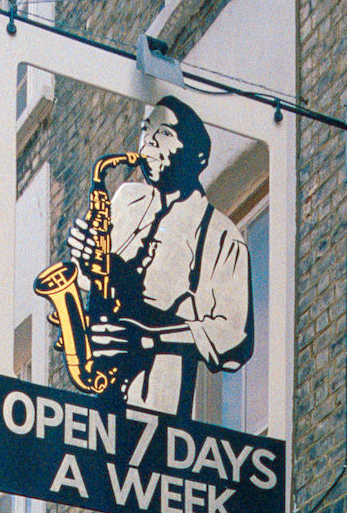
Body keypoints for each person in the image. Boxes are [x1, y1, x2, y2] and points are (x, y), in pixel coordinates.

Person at [67, 96, 253, 422]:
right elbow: (97, 280)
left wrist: (148, 339)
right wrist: (87, 258)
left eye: (164, 133)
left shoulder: (220, 233)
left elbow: (233, 335)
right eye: (144, 130)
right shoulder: (127, 198)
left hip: (156, 403)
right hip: (103, 386)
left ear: (196, 155)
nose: (148, 142)